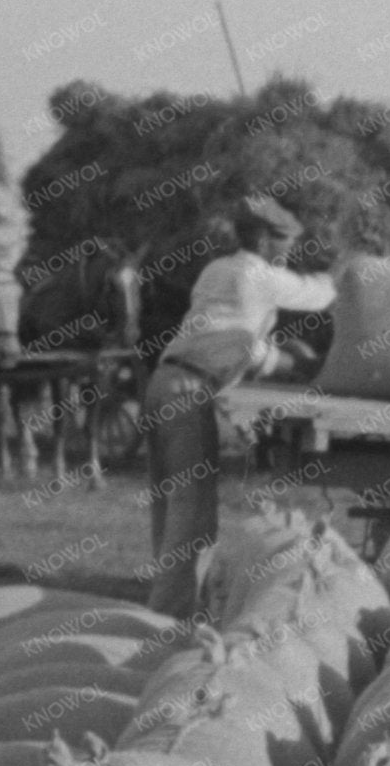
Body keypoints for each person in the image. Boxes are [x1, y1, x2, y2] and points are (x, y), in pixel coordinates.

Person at [142, 195, 336, 617]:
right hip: (189, 388)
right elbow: (317, 295)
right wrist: (345, 271)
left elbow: (233, 337)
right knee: (192, 515)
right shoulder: (259, 274)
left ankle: (166, 607)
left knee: (170, 504)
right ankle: (168, 620)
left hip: (163, 382)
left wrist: (281, 357)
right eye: (284, 242)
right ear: (264, 239)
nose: (289, 252)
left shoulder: (218, 269)